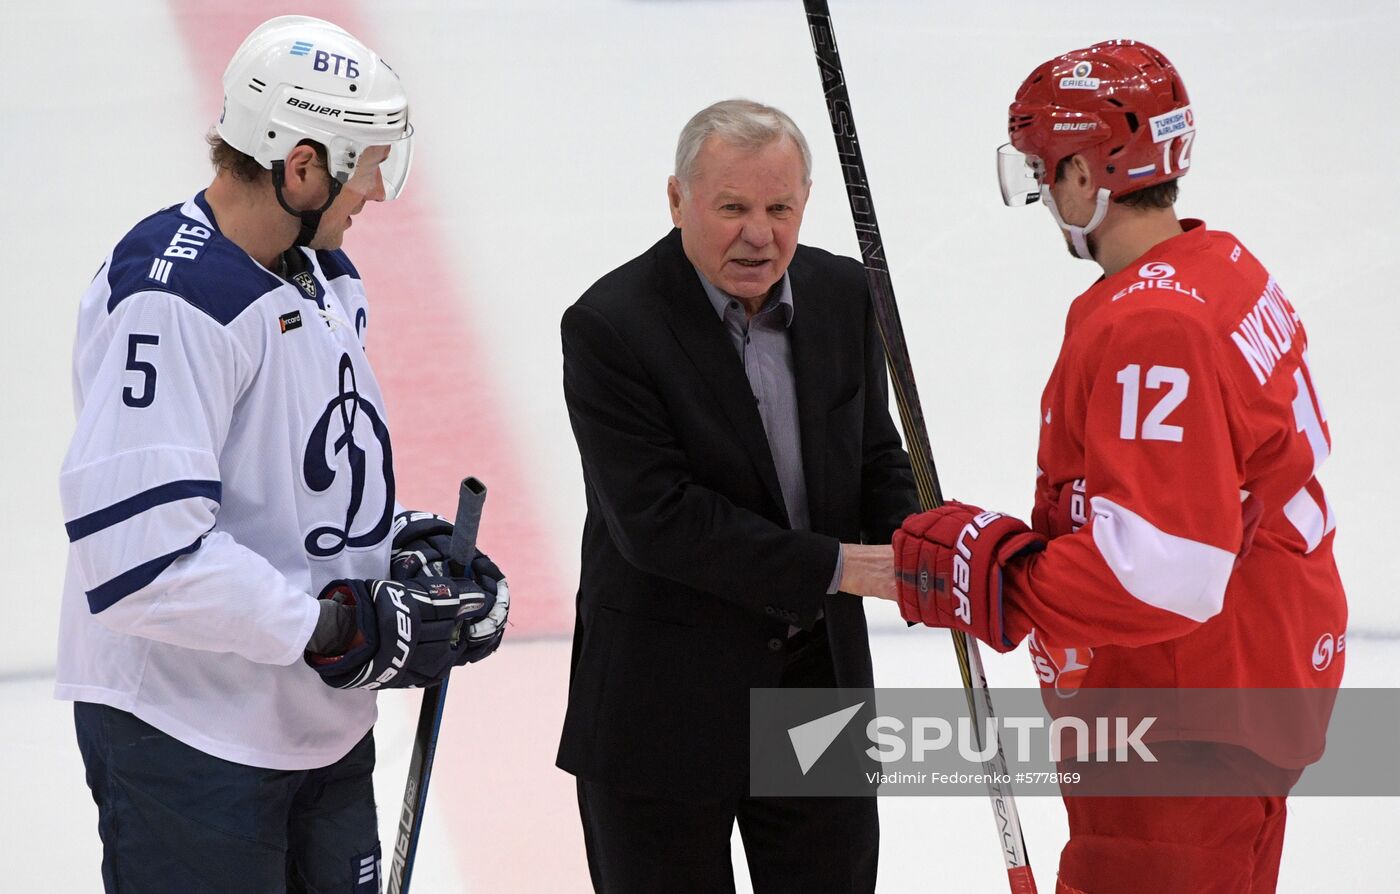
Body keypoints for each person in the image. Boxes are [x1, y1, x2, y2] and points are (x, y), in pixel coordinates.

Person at [55, 16, 508, 892]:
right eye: (366, 163)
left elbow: (301, 469)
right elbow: (141, 557)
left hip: (316, 725)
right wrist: (338, 626)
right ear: (302, 166)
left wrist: (403, 551)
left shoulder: (322, 272)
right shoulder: (172, 300)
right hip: (190, 740)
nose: (376, 190)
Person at [884, 40, 1347, 893]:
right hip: (1249, 687)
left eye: (1045, 169)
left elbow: (1165, 573)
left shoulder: (1150, 327)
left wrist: (998, 579)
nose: (1041, 192)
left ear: (1088, 177)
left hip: (1182, 732)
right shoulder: (1221, 266)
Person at [556, 99, 918, 893]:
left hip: (816, 689)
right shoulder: (610, 327)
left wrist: (930, 546)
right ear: (678, 200)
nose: (760, 234)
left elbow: (872, 456)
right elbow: (660, 522)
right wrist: (840, 568)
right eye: (733, 208)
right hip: (664, 701)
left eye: (779, 207)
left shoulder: (842, 294)